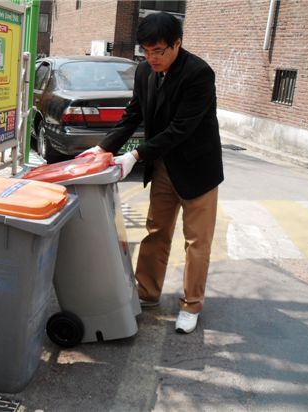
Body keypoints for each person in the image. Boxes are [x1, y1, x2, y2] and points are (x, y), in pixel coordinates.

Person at [79, 12, 224, 334]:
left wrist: (135, 155)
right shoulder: (145, 71)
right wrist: (104, 147)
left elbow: (181, 128)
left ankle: (191, 304)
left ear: (177, 44)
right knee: (156, 231)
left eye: (159, 50)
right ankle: (147, 291)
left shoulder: (199, 73)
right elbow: (133, 115)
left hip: (198, 170)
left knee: (197, 242)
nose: (152, 57)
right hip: (164, 168)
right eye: (146, 50)